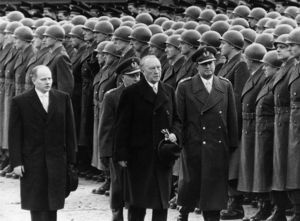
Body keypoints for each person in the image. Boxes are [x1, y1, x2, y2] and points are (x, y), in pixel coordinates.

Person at [114, 55, 181, 221]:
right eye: (152, 68)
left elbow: (177, 120)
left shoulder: (168, 91)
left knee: (161, 202)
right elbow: (122, 126)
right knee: (138, 203)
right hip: (139, 156)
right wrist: (121, 154)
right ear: (143, 71)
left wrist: (175, 134)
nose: (157, 71)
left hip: (162, 155)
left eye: (158, 67)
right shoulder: (131, 93)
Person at [176, 46, 238, 221]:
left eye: (211, 63)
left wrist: (232, 144)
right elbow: (179, 119)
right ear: (197, 66)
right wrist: (179, 143)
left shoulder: (225, 85)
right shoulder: (185, 86)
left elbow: (231, 118)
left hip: (217, 146)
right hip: (194, 143)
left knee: (215, 186)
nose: (208, 67)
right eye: (204, 64)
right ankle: (184, 211)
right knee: (190, 183)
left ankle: (213, 215)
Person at [8, 65, 77, 221]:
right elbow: (14, 135)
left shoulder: (62, 98)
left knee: (53, 204)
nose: (48, 82)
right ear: (34, 80)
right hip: (32, 161)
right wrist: (16, 162)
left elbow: (70, 132)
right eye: (43, 79)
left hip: (56, 160)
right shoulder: (20, 102)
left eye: (50, 78)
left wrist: (71, 160)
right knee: (36, 204)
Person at [99, 57, 141, 221]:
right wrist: (105, 153)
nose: (137, 79)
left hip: (139, 150)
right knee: (118, 188)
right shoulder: (113, 97)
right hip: (118, 151)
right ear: (122, 77)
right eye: (132, 76)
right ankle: (117, 216)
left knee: (136, 189)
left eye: (138, 75)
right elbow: (106, 128)